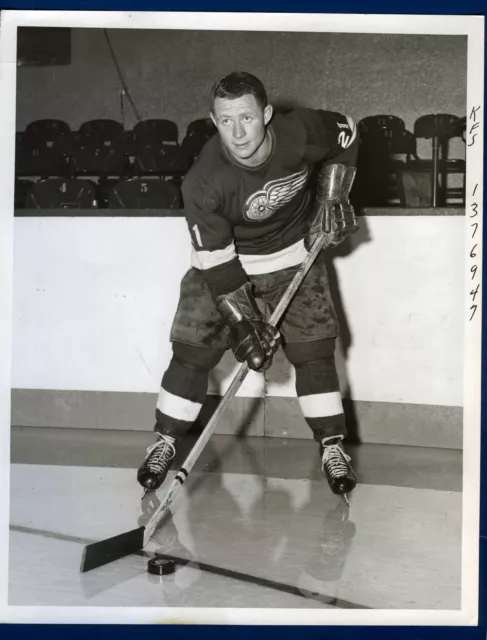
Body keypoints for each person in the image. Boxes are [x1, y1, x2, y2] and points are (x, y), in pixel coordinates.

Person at [137, 71, 359, 500]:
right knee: (191, 350)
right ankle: (165, 441)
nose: (237, 133)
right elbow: (218, 264)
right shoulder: (202, 181)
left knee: (314, 351)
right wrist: (242, 323)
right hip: (226, 265)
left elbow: (348, 135)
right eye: (225, 121)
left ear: (267, 114)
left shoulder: (300, 132)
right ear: (213, 120)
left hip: (295, 255)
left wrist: (333, 195)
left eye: (247, 119)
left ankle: (332, 446)